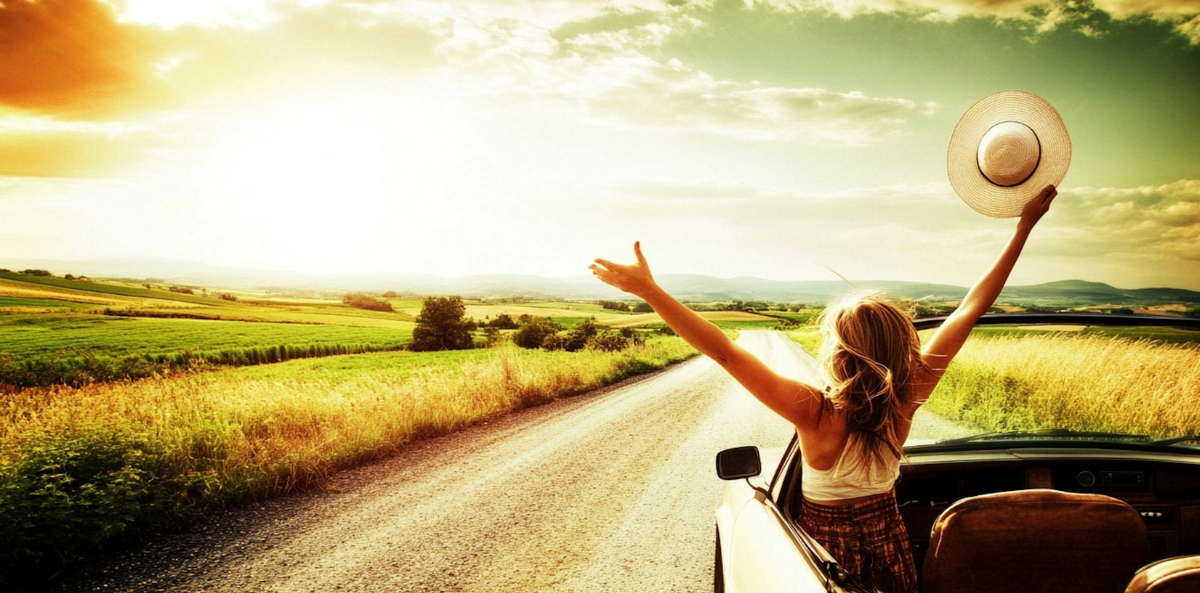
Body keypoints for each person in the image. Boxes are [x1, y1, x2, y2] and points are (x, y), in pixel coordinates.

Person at [589, 184, 1058, 593]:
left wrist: (650, 291)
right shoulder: (907, 396)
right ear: (902, 347)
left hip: (825, 555)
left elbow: (725, 352)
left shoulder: (814, 411)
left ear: (839, 350)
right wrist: (1023, 228)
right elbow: (971, 308)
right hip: (890, 542)